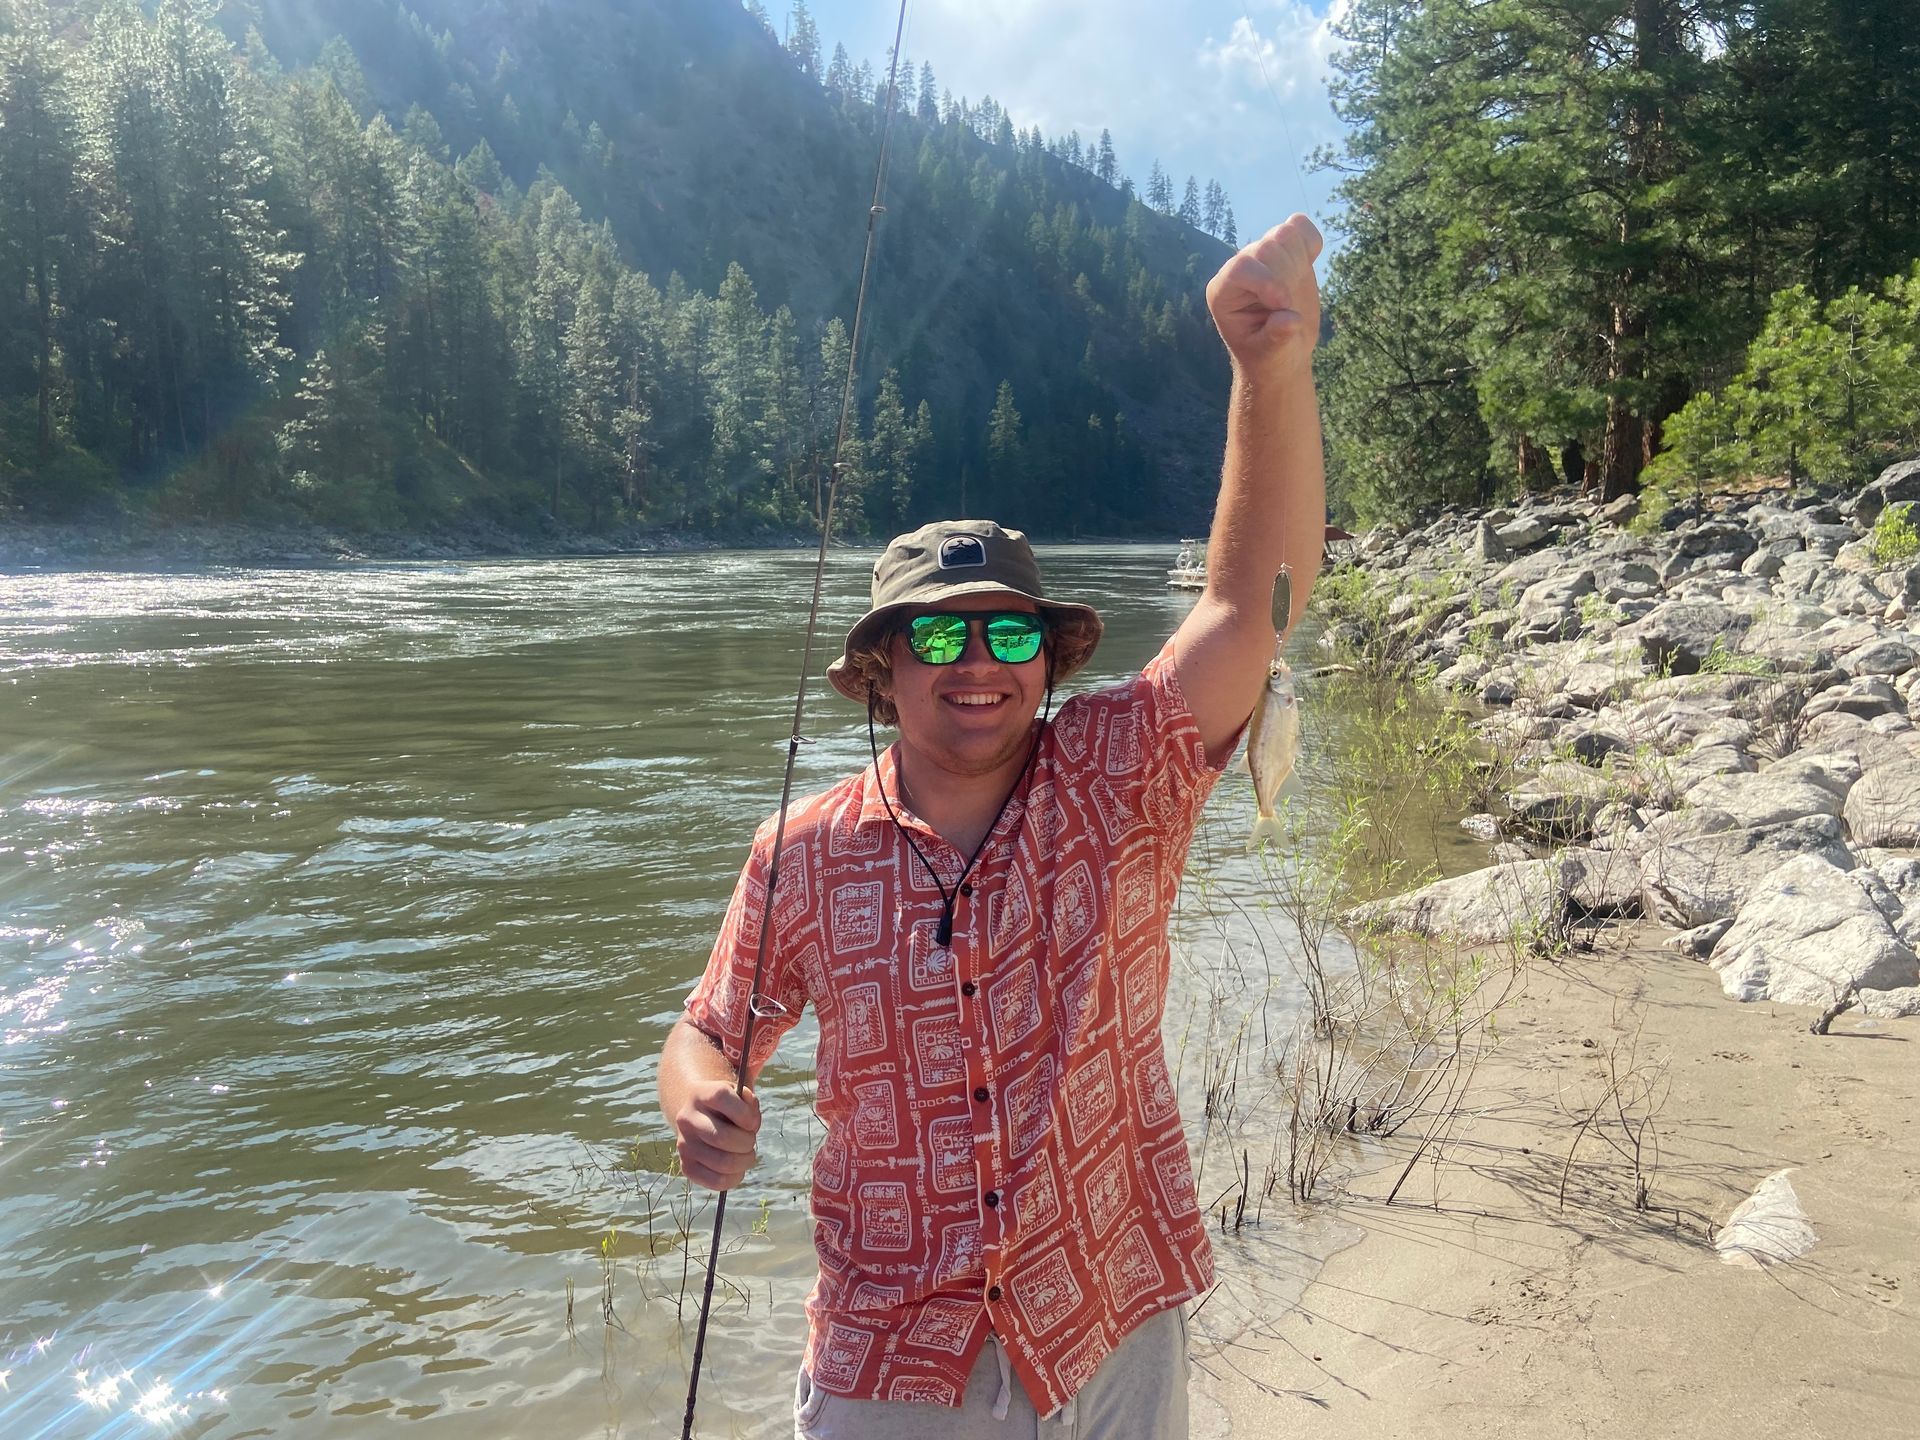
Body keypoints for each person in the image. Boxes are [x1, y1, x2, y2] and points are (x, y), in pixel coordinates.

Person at [658, 215, 1325, 1438]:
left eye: (1010, 633)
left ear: (1048, 658)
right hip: (890, 1348)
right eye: (939, 634)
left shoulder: (1120, 777)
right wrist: (700, 1101)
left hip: (1108, 1313)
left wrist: (1269, 367)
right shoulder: (798, 853)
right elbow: (709, 1031)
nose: (979, 662)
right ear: (878, 672)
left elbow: (1249, 605)